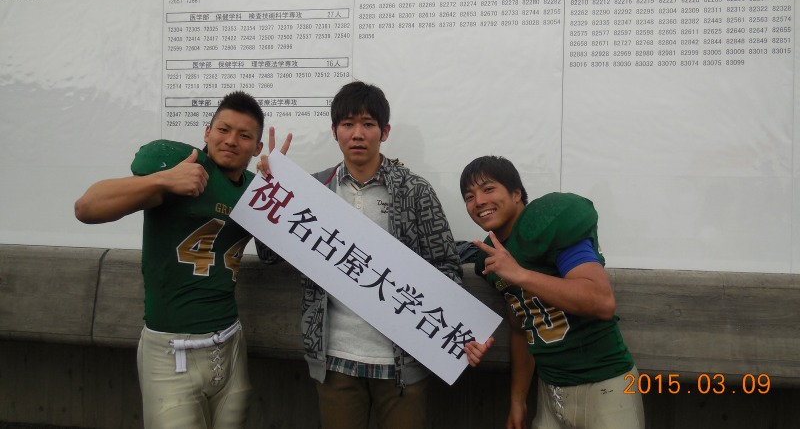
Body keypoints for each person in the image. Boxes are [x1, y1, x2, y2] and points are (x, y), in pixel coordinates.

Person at [74, 91, 291, 429]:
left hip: (231, 347)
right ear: (207, 132)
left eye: (244, 135)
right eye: (223, 129)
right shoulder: (184, 169)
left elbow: (273, 254)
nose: (231, 140)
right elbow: (86, 208)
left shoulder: (254, 189)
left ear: (257, 147)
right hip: (171, 349)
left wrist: (278, 191)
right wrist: (161, 179)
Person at [256, 81, 462, 429]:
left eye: (368, 124)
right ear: (334, 130)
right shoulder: (313, 189)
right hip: (335, 358)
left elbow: (447, 267)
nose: (357, 134)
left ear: (385, 131)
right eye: (348, 124)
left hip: (403, 362)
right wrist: (272, 188)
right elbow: (268, 254)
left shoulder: (414, 191)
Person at [459, 156, 644, 429]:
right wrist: (518, 400)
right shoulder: (492, 255)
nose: (479, 201)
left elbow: (601, 300)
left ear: (516, 193)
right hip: (550, 391)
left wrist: (521, 274)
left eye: (488, 189)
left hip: (605, 384)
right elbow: (522, 330)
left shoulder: (547, 220)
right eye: (469, 196)